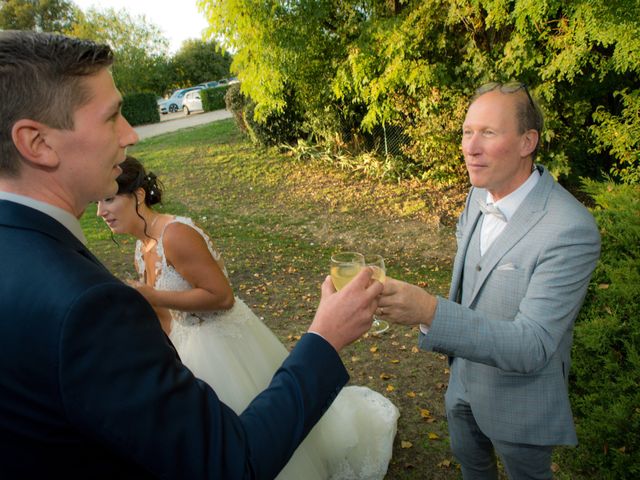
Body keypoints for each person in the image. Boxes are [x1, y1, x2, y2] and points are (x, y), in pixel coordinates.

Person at [0, 30, 383, 479]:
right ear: (37, 143)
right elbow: (229, 464)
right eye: (112, 117)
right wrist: (325, 337)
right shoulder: (89, 309)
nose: (131, 135)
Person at [97, 155, 399, 479]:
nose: (101, 212)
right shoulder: (142, 247)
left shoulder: (175, 234)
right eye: (98, 202)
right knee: (219, 439)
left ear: (138, 196)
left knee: (262, 421)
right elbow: (169, 317)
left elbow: (221, 296)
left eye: (109, 199)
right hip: (191, 349)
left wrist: (151, 295)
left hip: (226, 343)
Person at [377, 81, 601, 479]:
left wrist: (429, 310)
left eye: (488, 133)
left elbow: (532, 345)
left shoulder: (570, 228)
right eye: (467, 132)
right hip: (461, 387)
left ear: (526, 142)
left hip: (522, 405)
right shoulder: (477, 195)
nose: (470, 147)